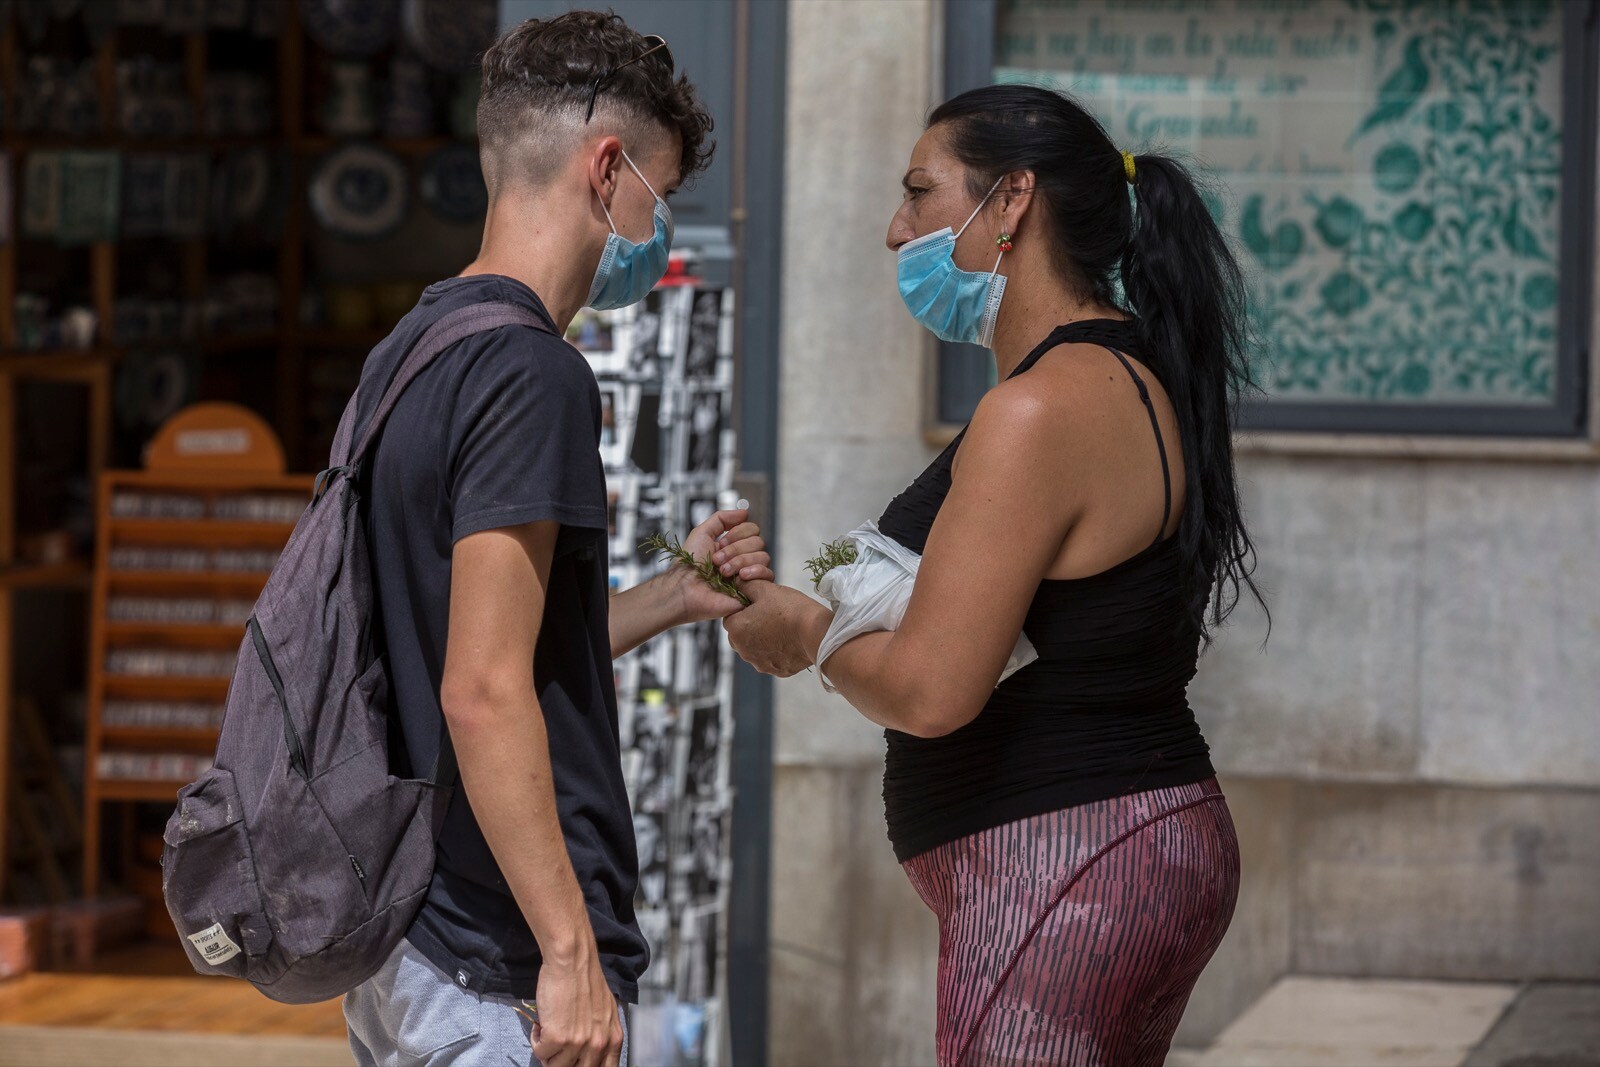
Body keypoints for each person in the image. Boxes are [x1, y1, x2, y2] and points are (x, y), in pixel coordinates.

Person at [723, 84, 1265, 1066]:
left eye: (919, 192)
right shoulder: (1125, 371)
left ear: (1011, 202)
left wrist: (805, 633)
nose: (897, 230)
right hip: (1120, 843)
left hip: (1065, 862)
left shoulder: (1039, 410)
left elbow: (933, 691)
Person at [338, 13, 773, 1067]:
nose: (658, 228)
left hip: (412, 937)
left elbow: (471, 642)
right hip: (497, 962)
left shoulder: (415, 342)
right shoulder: (532, 374)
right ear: (608, 167)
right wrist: (569, 949)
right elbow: (481, 689)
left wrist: (672, 595)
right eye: (661, 198)